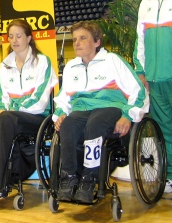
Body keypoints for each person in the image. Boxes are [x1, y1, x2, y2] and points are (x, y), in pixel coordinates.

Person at [53, 21, 149, 203]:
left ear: (97, 41)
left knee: (94, 124)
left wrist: (127, 115)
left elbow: (138, 91)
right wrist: (61, 113)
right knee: (68, 126)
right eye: (74, 40)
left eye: (83, 38)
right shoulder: (71, 67)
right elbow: (63, 97)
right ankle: (68, 178)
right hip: (81, 109)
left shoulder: (112, 60)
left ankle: (89, 179)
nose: (77, 43)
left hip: (109, 108)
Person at [0, 19, 58, 198]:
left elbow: (40, 100)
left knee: (6, 118)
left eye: (19, 36)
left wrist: (11, 110)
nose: (14, 40)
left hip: (36, 117)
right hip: (11, 118)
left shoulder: (42, 62)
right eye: (11, 36)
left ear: (29, 38)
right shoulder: (5, 65)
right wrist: (1, 109)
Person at [133, 0, 172, 193]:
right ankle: (170, 175)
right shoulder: (145, 3)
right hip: (155, 79)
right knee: (164, 130)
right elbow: (139, 40)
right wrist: (140, 70)